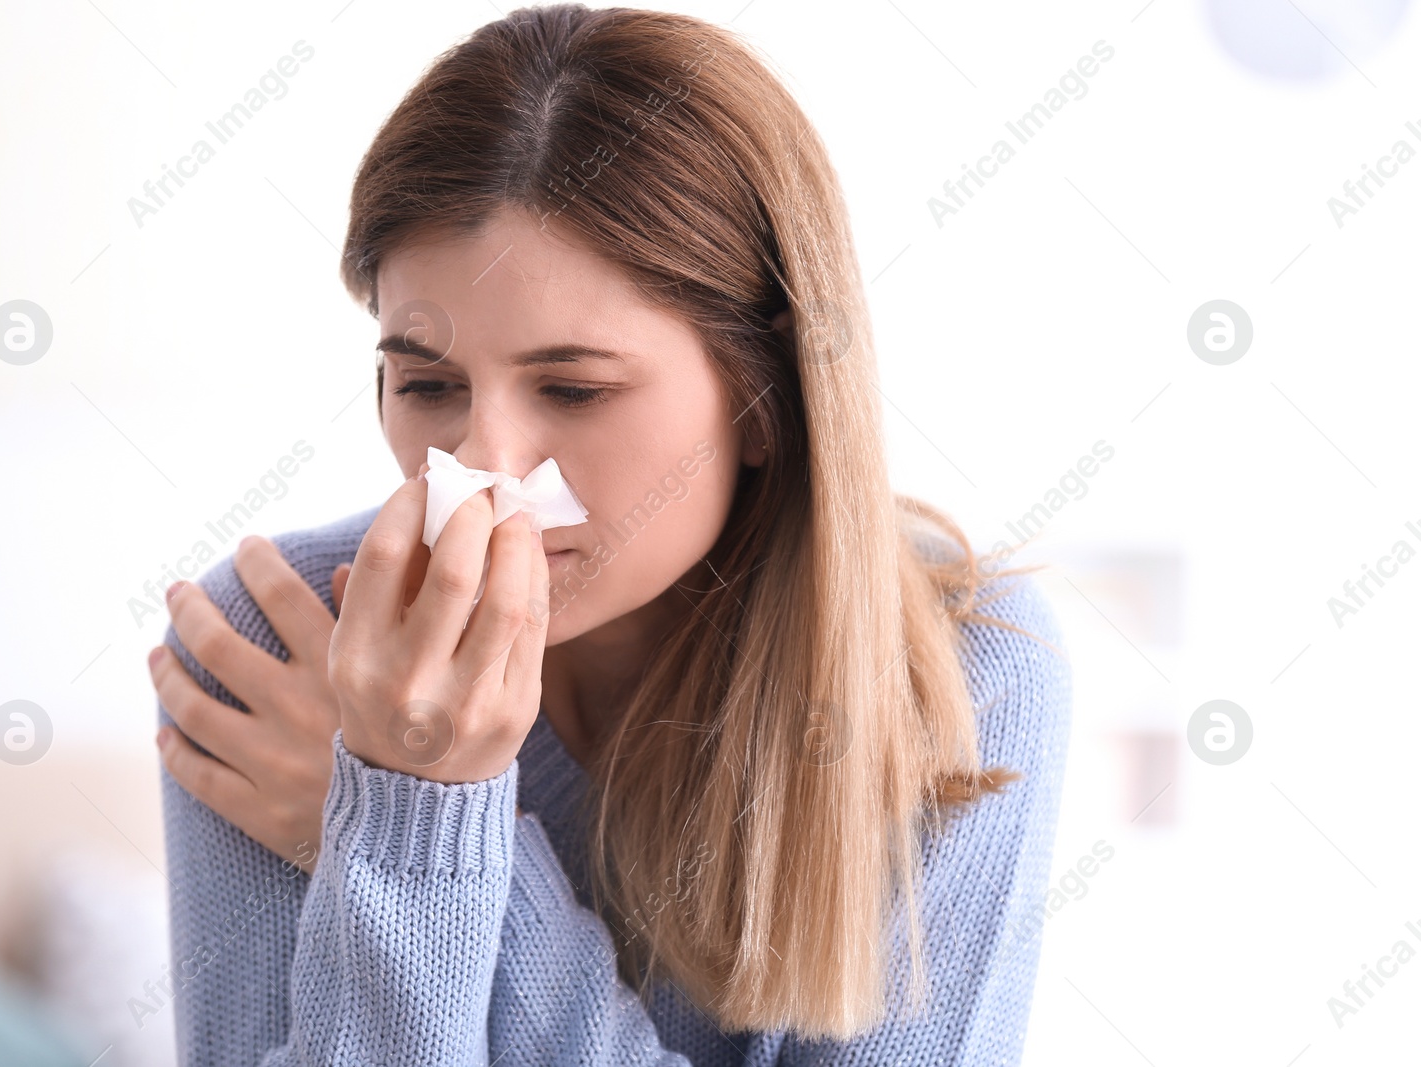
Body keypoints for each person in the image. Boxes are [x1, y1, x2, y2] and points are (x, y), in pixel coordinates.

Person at [147, 5, 1073, 1064]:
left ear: (765, 395)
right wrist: (410, 810)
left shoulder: (959, 665)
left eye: (574, 389)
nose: (485, 472)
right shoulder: (278, 641)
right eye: (427, 383)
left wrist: (410, 826)